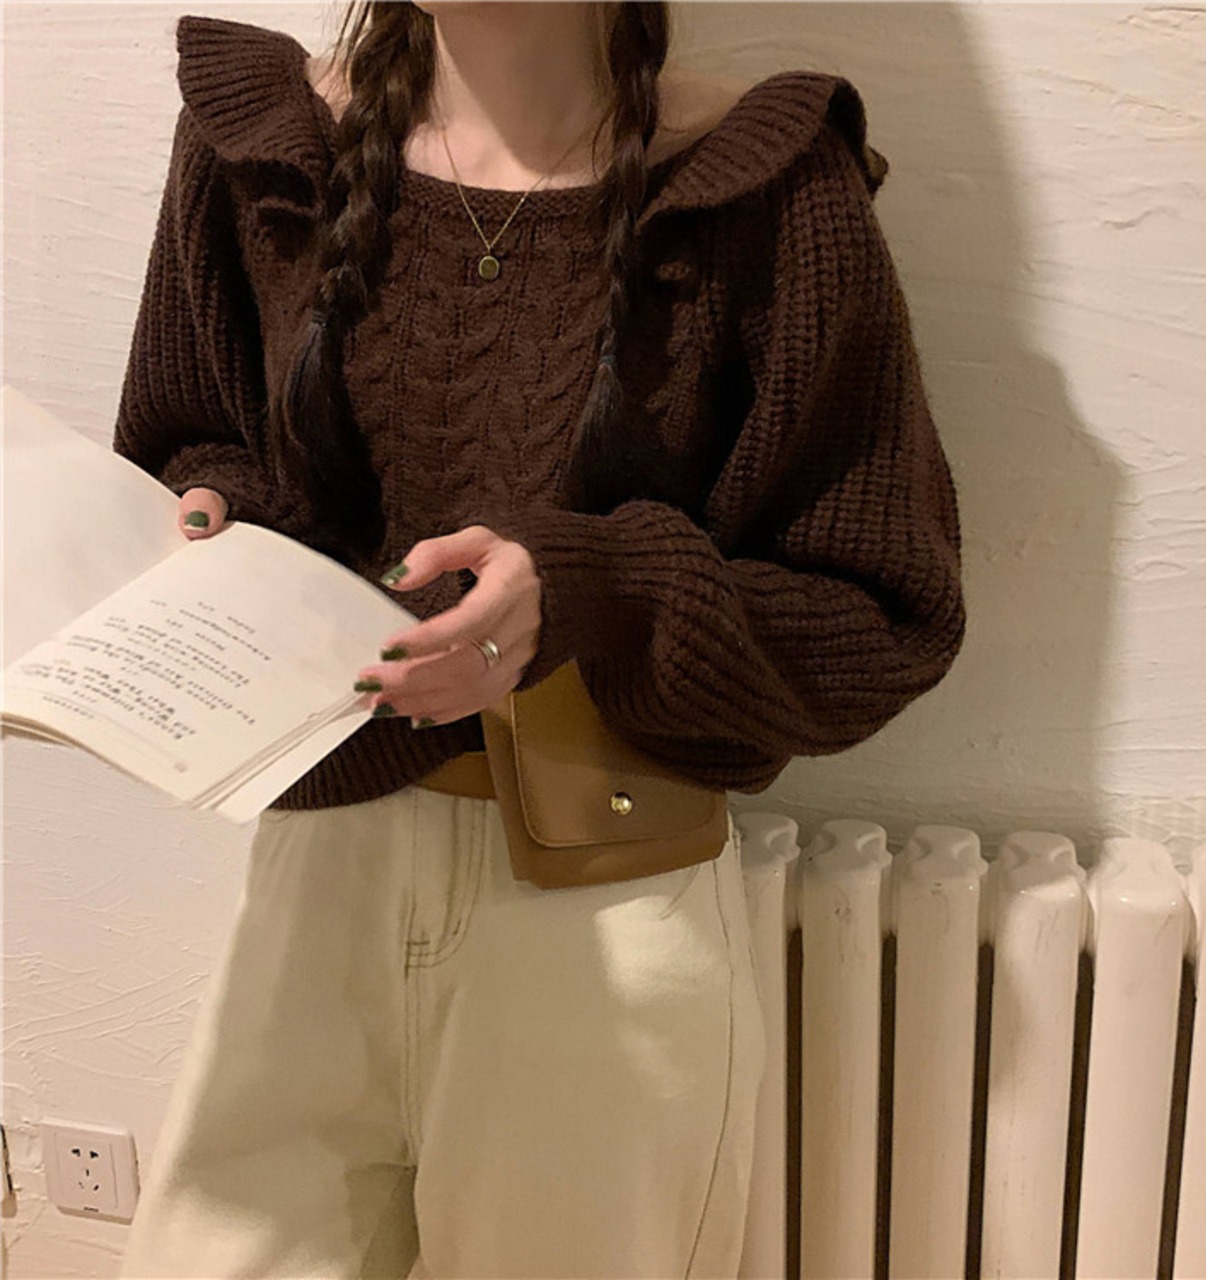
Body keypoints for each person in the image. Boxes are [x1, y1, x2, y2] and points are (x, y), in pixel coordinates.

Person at [113, 3, 965, 1277]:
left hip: (600, 900)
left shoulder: (760, 182)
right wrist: (213, 520)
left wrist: (590, 586)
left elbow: (876, 610)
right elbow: (191, 441)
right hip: (313, 866)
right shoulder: (265, 146)